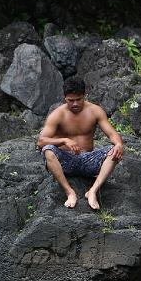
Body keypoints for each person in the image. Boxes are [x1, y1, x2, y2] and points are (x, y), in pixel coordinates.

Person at [37, 77, 124, 210]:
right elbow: (41, 142)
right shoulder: (58, 114)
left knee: (113, 150)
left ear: (84, 95)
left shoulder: (95, 111)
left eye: (79, 99)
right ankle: (70, 192)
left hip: (88, 160)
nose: (75, 104)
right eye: (70, 100)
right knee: (48, 149)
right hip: (66, 161)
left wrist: (118, 144)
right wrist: (64, 140)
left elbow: (112, 134)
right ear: (65, 97)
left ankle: (93, 191)